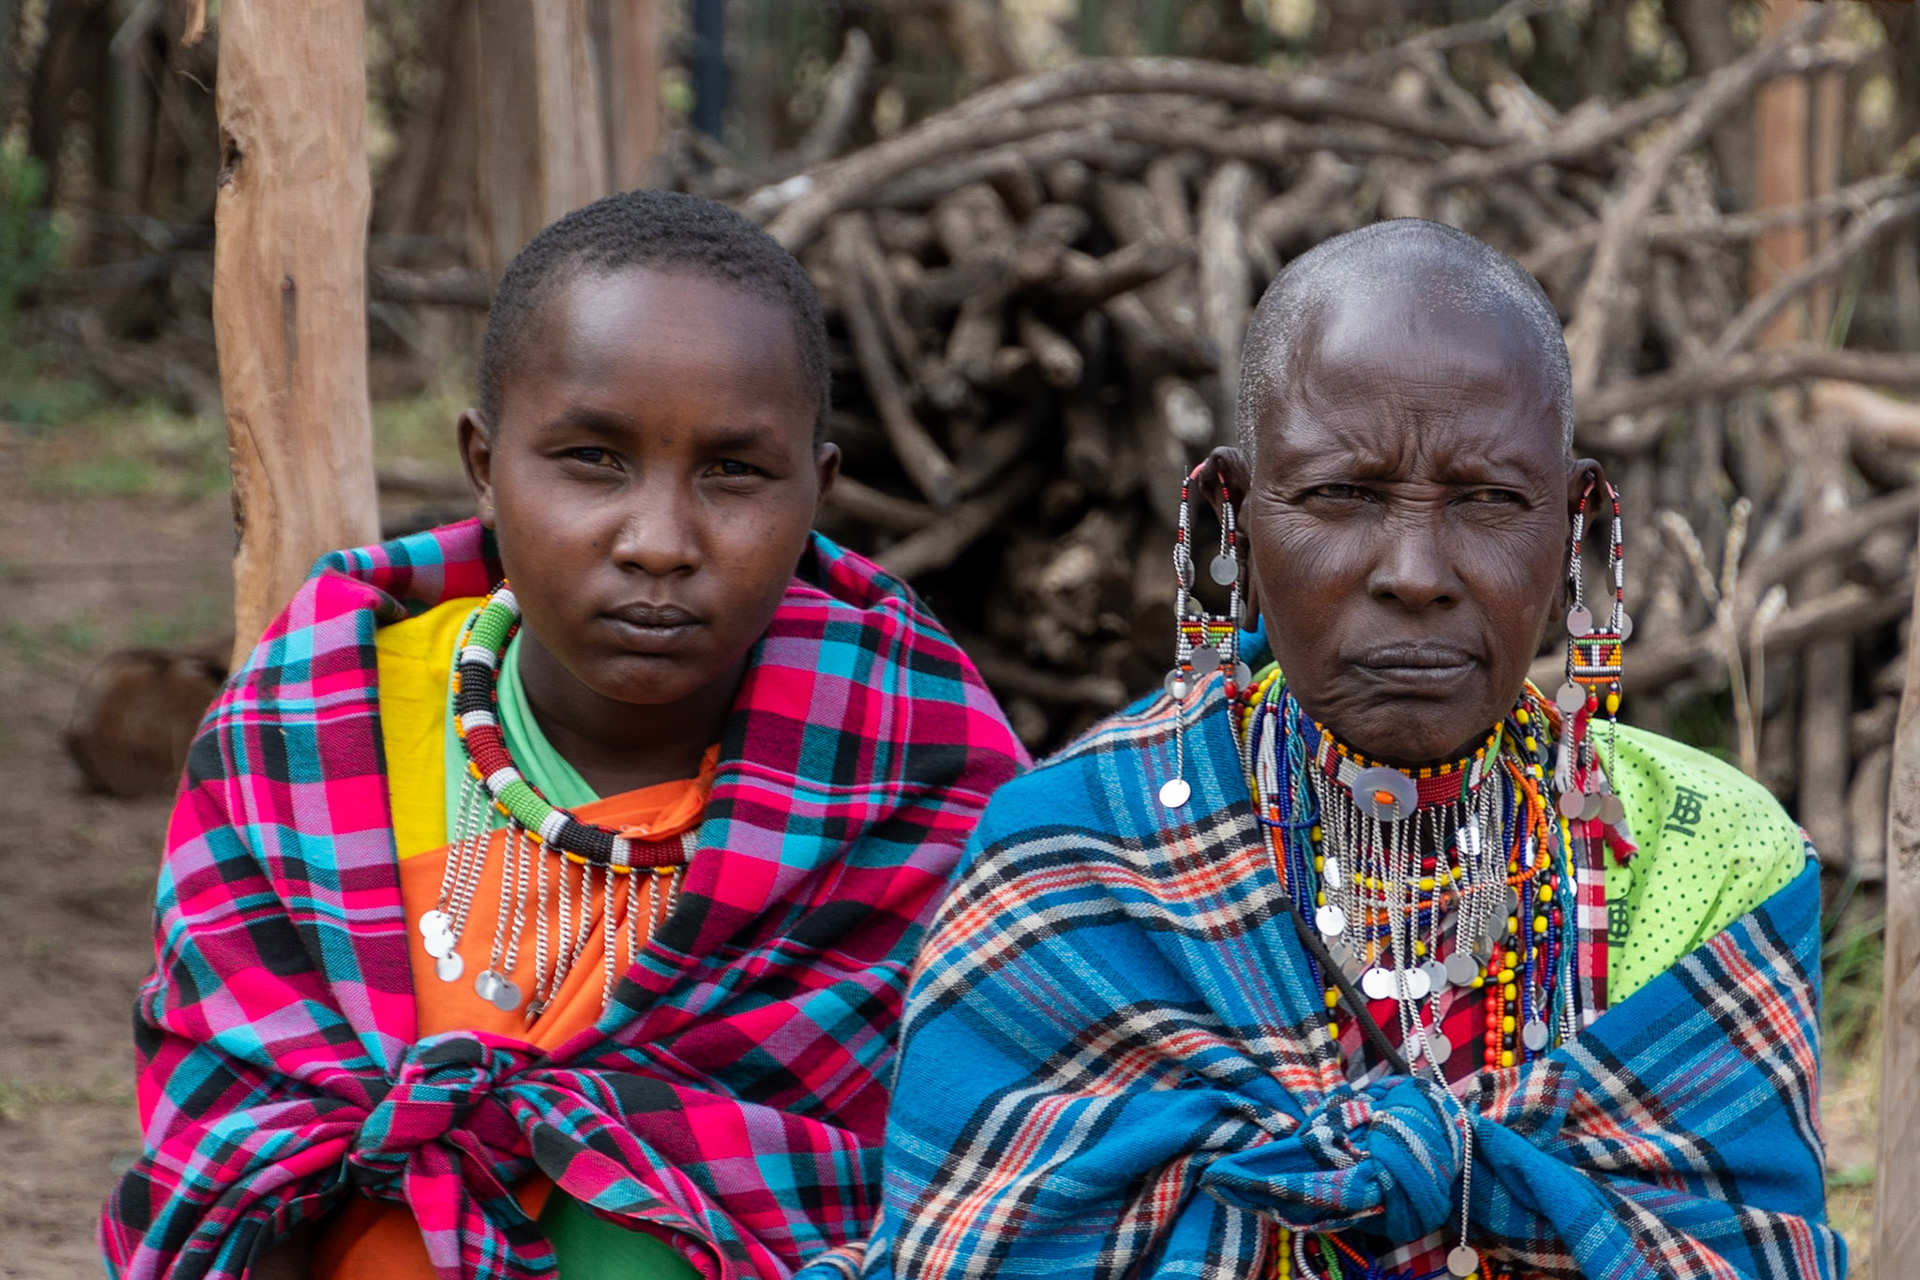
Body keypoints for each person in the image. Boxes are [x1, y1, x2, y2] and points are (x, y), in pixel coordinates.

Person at [841, 220, 1841, 1280]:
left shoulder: (1711, 853)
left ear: (1578, 530)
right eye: (1341, 494)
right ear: (1231, 526)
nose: (1415, 570)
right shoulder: (1072, 855)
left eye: (1491, 499)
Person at [100, 190, 1026, 1280]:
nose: (659, 540)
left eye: (734, 470)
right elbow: (227, 1154)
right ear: (484, 467)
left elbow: (975, 1188)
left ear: (815, 493)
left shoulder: (913, 771)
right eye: (593, 457)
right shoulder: (314, 726)